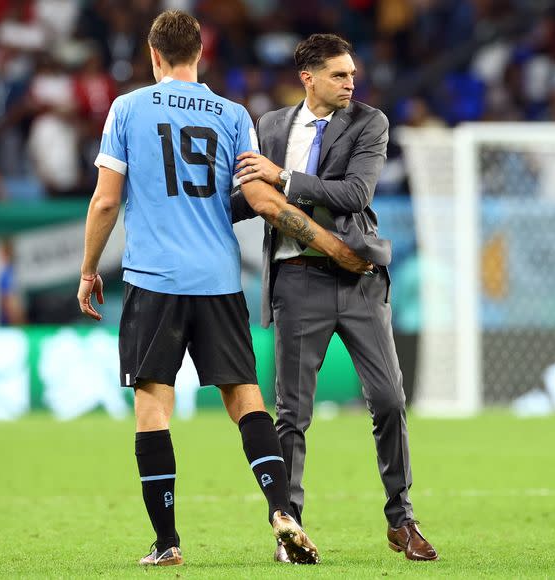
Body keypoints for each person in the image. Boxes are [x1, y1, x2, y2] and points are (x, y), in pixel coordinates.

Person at [76, 11, 372, 567]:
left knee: (153, 408)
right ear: (201, 54)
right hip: (218, 279)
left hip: (154, 280)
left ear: (154, 54)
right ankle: (282, 510)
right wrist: (330, 245)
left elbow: (106, 201)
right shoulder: (234, 115)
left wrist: (89, 269)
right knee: (246, 401)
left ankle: (167, 543)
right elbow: (257, 200)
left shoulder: (127, 108)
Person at [231, 33, 439, 562]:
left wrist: (282, 177)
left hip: (359, 278)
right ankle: (290, 528)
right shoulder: (272, 126)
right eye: (340, 75)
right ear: (309, 77)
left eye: (352, 74)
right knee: (292, 413)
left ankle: (402, 519)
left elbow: (354, 194)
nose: (351, 83)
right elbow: (251, 198)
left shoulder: (370, 122)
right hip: (297, 280)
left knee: (390, 399)